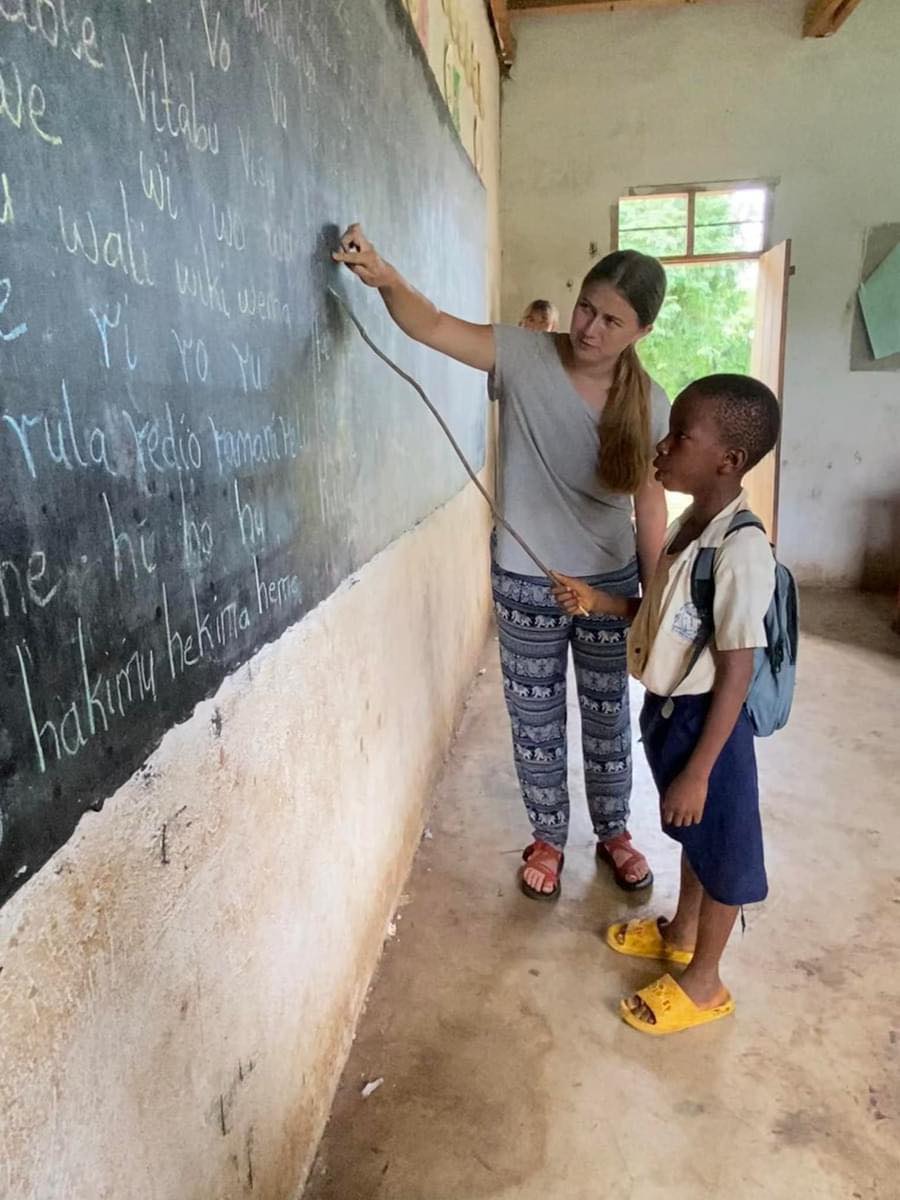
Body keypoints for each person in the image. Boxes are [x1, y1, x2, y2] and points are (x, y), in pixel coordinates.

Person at [333, 224, 670, 900]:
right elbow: (430, 325)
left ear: (640, 331)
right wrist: (388, 278)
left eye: (612, 321)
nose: (590, 329)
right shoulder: (520, 354)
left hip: (607, 584)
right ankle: (548, 837)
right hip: (526, 578)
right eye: (586, 307)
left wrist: (655, 594)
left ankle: (615, 832)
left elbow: (651, 505)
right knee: (535, 718)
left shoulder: (650, 402)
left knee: (607, 715)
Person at [551, 373, 780, 1035]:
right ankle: (681, 932)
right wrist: (601, 603)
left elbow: (739, 666)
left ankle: (704, 982)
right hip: (677, 717)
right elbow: (666, 615)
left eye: (681, 434)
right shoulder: (693, 525)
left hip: (715, 727)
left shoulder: (740, 551)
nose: (663, 443)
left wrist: (702, 770)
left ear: (727, 461)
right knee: (695, 837)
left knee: (727, 850)